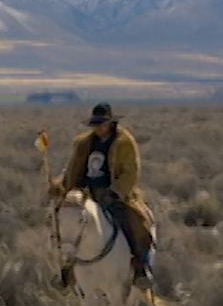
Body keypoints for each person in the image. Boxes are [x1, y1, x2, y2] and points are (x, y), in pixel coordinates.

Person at [58, 102, 155, 287]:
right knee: (64, 226)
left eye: (101, 124)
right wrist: (61, 187)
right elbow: (73, 169)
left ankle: (141, 268)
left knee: (135, 223)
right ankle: (65, 270)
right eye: (95, 125)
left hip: (114, 195)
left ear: (111, 123)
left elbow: (130, 172)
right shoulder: (83, 144)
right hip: (85, 195)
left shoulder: (124, 143)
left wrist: (115, 192)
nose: (98, 128)